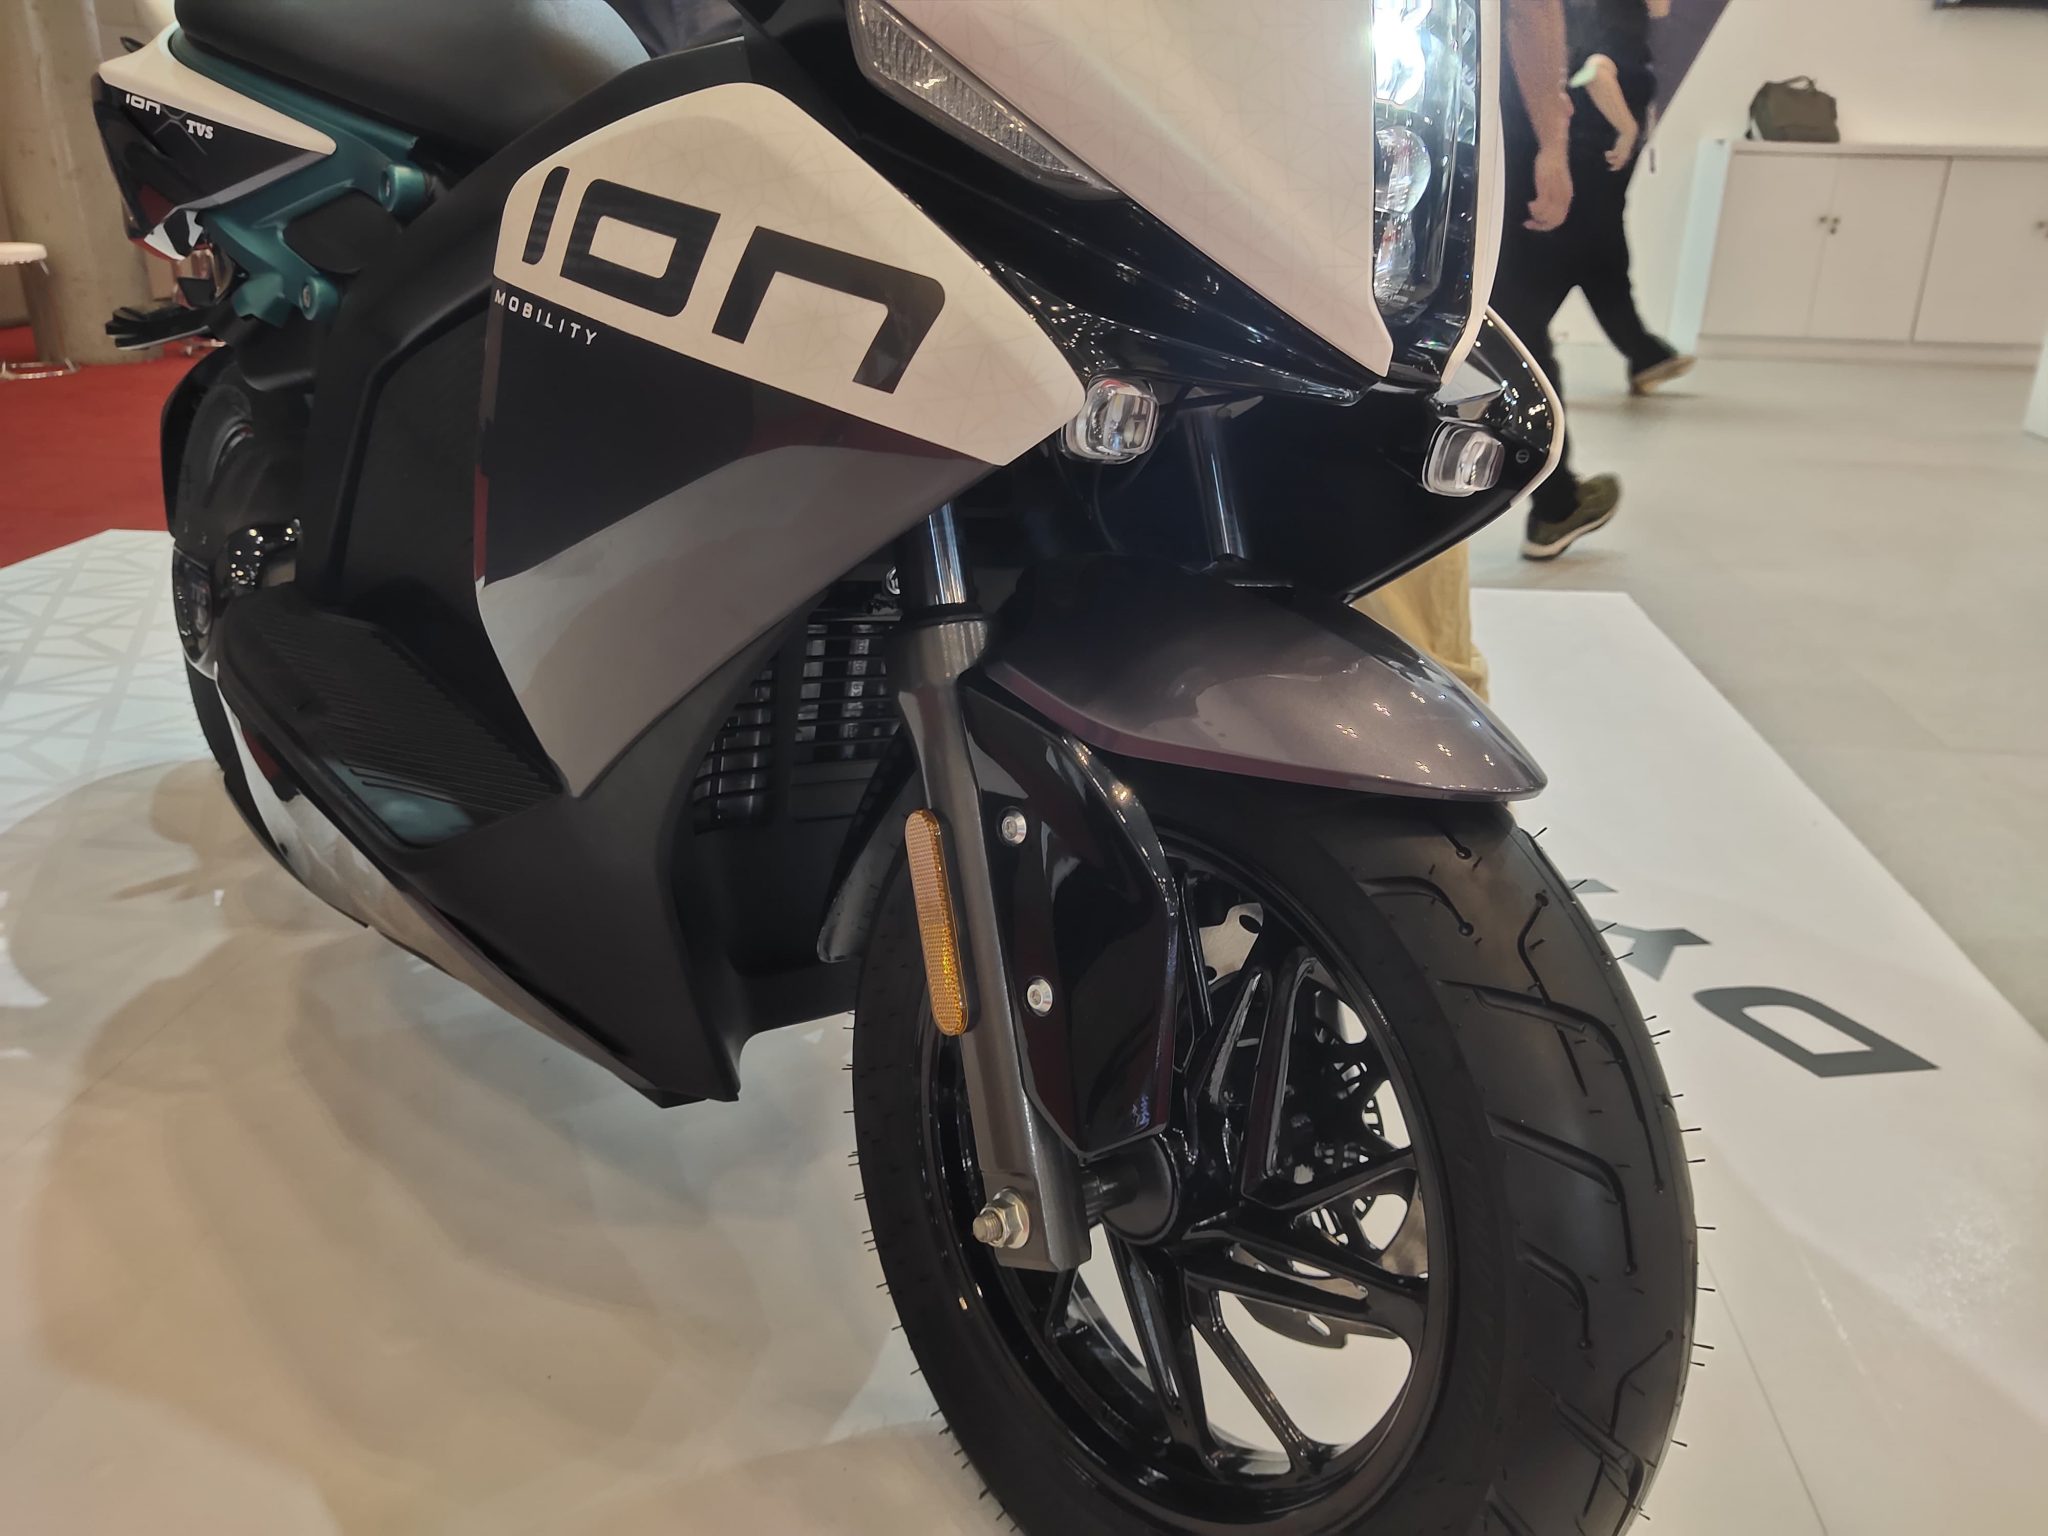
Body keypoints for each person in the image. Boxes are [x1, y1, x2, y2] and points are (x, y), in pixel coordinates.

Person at [1492, 0, 1691, 560]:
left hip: (1501, 153)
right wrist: (1558, 148)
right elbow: (1537, 18)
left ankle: (1555, 498)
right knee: (1520, 333)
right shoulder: (1612, 31)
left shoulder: (1614, 30)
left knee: (1523, 326)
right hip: (1531, 162)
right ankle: (1555, 503)